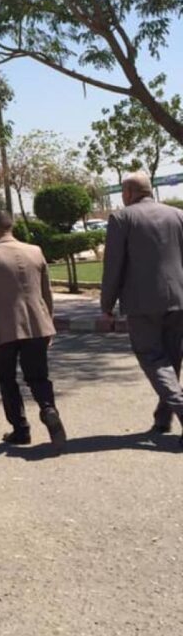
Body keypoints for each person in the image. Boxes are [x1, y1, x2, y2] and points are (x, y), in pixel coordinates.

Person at [0, 209, 67, 451]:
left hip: (5, 330)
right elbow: (47, 293)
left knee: (7, 380)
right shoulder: (35, 251)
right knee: (38, 376)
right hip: (37, 325)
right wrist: (49, 324)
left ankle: (21, 429)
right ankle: (48, 409)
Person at [100, 171, 183, 442]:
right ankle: (163, 418)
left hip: (142, 303)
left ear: (128, 193)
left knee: (153, 359)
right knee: (171, 360)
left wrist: (107, 305)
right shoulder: (177, 215)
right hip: (179, 299)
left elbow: (113, 266)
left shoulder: (122, 218)